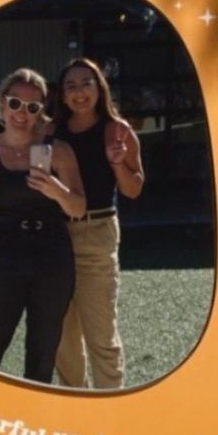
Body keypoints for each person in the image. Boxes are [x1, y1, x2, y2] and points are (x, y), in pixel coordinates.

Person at [0, 68, 86, 384]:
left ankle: (35, 423)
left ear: (41, 112)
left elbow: (78, 207)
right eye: (15, 103)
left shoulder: (57, 151)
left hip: (52, 256)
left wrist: (56, 191)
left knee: (42, 352)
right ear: (2, 104)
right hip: (5, 256)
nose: (22, 112)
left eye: (33, 107)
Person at [53, 57, 144, 390]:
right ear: (62, 95)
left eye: (86, 83)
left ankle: (111, 413)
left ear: (99, 88)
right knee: (63, 340)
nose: (79, 92)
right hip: (55, 240)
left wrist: (118, 163)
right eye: (71, 86)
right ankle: (75, 410)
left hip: (97, 235)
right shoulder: (50, 133)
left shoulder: (117, 130)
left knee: (101, 336)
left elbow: (133, 189)